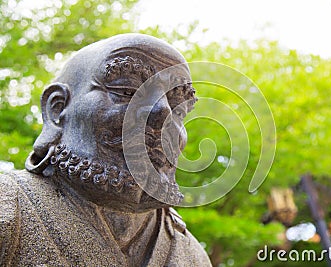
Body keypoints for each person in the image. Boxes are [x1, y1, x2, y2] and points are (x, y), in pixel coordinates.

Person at [0, 33, 211, 266]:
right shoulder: (10, 207)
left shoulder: (191, 253)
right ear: (57, 110)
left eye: (178, 109)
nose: (163, 114)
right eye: (127, 92)